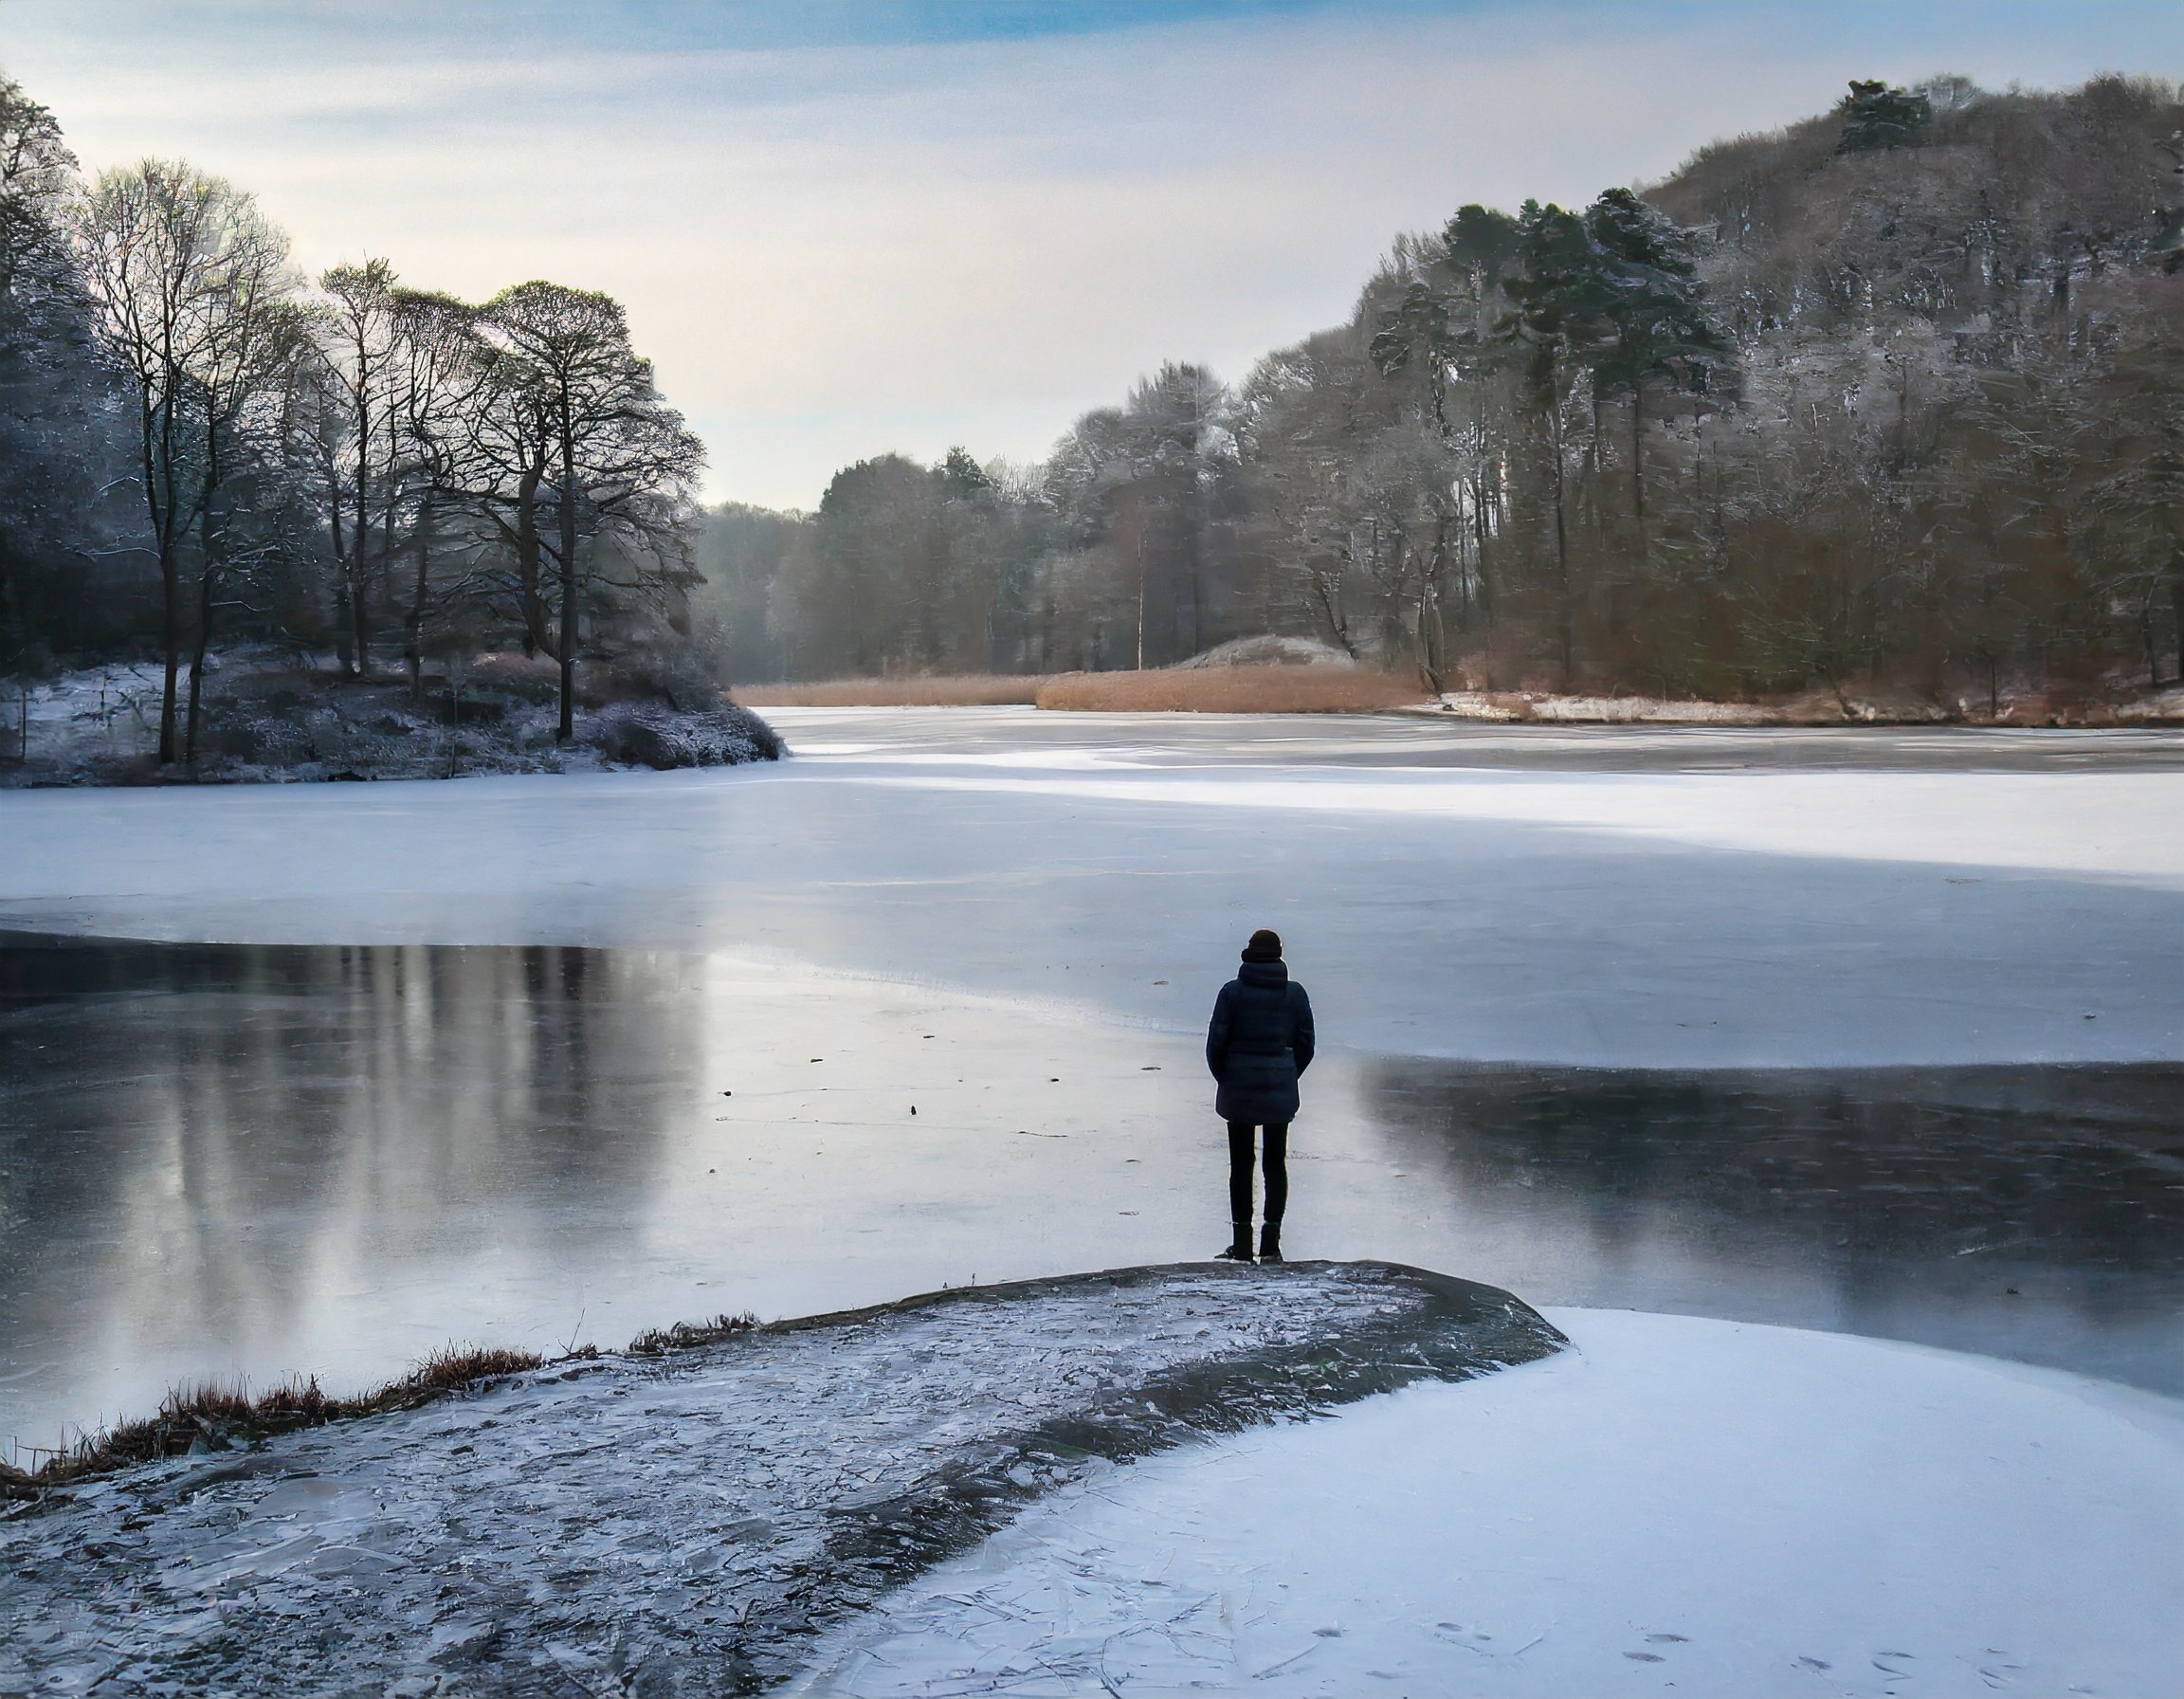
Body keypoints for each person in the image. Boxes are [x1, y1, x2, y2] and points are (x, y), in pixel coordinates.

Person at [1204, 927, 1315, 1264]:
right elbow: (1306, 1044)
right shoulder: (1294, 994)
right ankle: (1270, 1245)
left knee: (1241, 1164)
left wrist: (1228, 1078)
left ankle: (1240, 1245)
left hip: (1239, 1087)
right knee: (1275, 1163)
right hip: (1279, 1086)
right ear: (1279, 954)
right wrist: (1286, 1074)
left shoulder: (1232, 993)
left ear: (1248, 953)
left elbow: (1215, 1046)